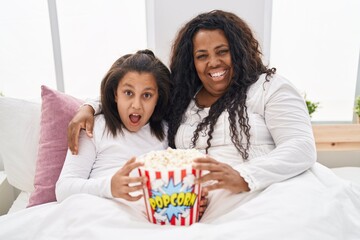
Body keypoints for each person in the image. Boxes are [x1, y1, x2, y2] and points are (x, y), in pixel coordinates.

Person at [67, 10, 358, 225]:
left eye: (222, 51)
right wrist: (91, 107)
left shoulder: (269, 88)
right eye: (201, 55)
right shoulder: (185, 102)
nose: (213, 63)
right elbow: (139, 94)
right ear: (191, 62)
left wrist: (245, 176)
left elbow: (301, 148)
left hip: (268, 191)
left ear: (239, 51)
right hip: (202, 212)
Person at [56, 49, 171, 203]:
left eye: (147, 95)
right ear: (116, 94)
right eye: (128, 93)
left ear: (158, 98)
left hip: (144, 218)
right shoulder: (94, 127)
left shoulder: (165, 132)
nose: (136, 105)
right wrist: (109, 187)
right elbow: (64, 189)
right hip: (98, 212)